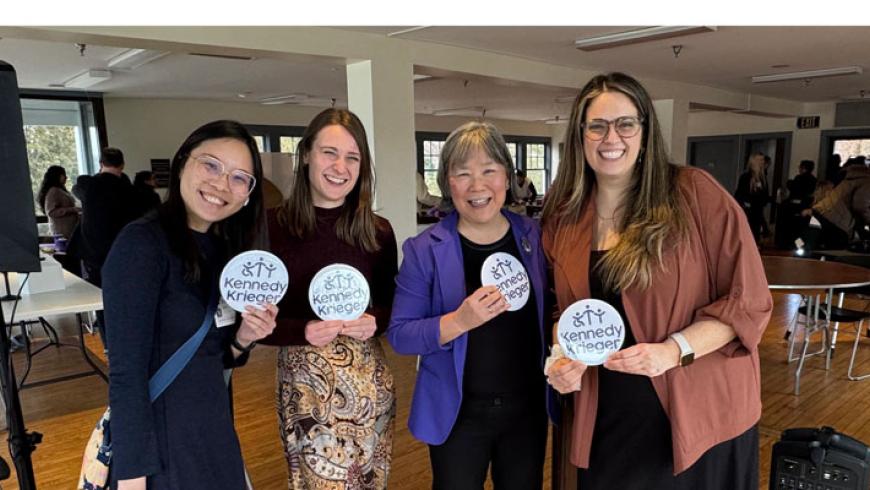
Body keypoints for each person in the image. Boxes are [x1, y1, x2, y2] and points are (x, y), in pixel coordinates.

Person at [541, 72, 772, 490]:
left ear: (645, 133)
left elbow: (748, 301)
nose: (612, 137)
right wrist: (558, 358)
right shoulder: (565, 218)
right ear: (580, 136)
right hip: (606, 414)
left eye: (625, 123)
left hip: (696, 414)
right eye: (597, 125)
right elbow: (564, 309)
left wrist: (673, 350)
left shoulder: (693, 194)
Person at [103, 120, 277, 489]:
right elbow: (125, 373)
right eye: (211, 165)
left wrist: (245, 337)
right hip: (161, 449)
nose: (221, 184)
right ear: (183, 163)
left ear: (248, 193)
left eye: (239, 177)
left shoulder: (225, 252)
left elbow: (215, 357)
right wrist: (132, 476)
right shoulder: (141, 245)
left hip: (213, 432)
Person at [388, 121, 557, 490]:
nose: (477, 186)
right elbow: (400, 335)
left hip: (526, 410)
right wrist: (459, 321)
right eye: (462, 174)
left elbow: (555, 309)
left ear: (507, 177)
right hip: (458, 414)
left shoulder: (534, 236)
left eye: (489, 171)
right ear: (447, 182)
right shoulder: (424, 250)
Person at [261, 108, 397, 489]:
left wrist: (377, 320)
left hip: (368, 383)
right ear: (305, 154)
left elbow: (393, 303)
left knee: (370, 482)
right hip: (306, 388)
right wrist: (302, 330)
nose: (341, 167)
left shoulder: (377, 232)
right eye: (329, 153)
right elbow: (254, 323)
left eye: (352, 157)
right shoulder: (272, 228)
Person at [74, 147, 138, 346]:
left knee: (102, 300)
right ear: (122, 165)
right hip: (124, 252)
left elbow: (77, 187)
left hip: (96, 253)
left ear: (101, 163)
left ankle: (109, 345)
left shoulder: (89, 186)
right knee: (129, 297)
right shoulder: (128, 189)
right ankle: (132, 339)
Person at [802, 158, 870, 249]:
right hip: (837, 220)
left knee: (811, 242)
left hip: (822, 211)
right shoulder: (865, 180)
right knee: (835, 249)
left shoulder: (850, 177)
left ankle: (801, 256)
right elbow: (860, 206)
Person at [734, 151, 770, 243]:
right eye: (760, 160)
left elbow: (764, 195)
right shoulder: (746, 177)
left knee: (755, 232)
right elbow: (740, 193)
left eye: (763, 160)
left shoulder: (763, 178)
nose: (762, 162)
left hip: (757, 210)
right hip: (747, 210)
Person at [37, 165, 79, 239]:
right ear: (57, 176)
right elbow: (51, 212)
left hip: (69, 232)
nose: (66, 177)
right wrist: (72, 209)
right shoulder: (53, 191)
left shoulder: (60, 190)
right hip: (62, 233)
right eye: (63, 175)